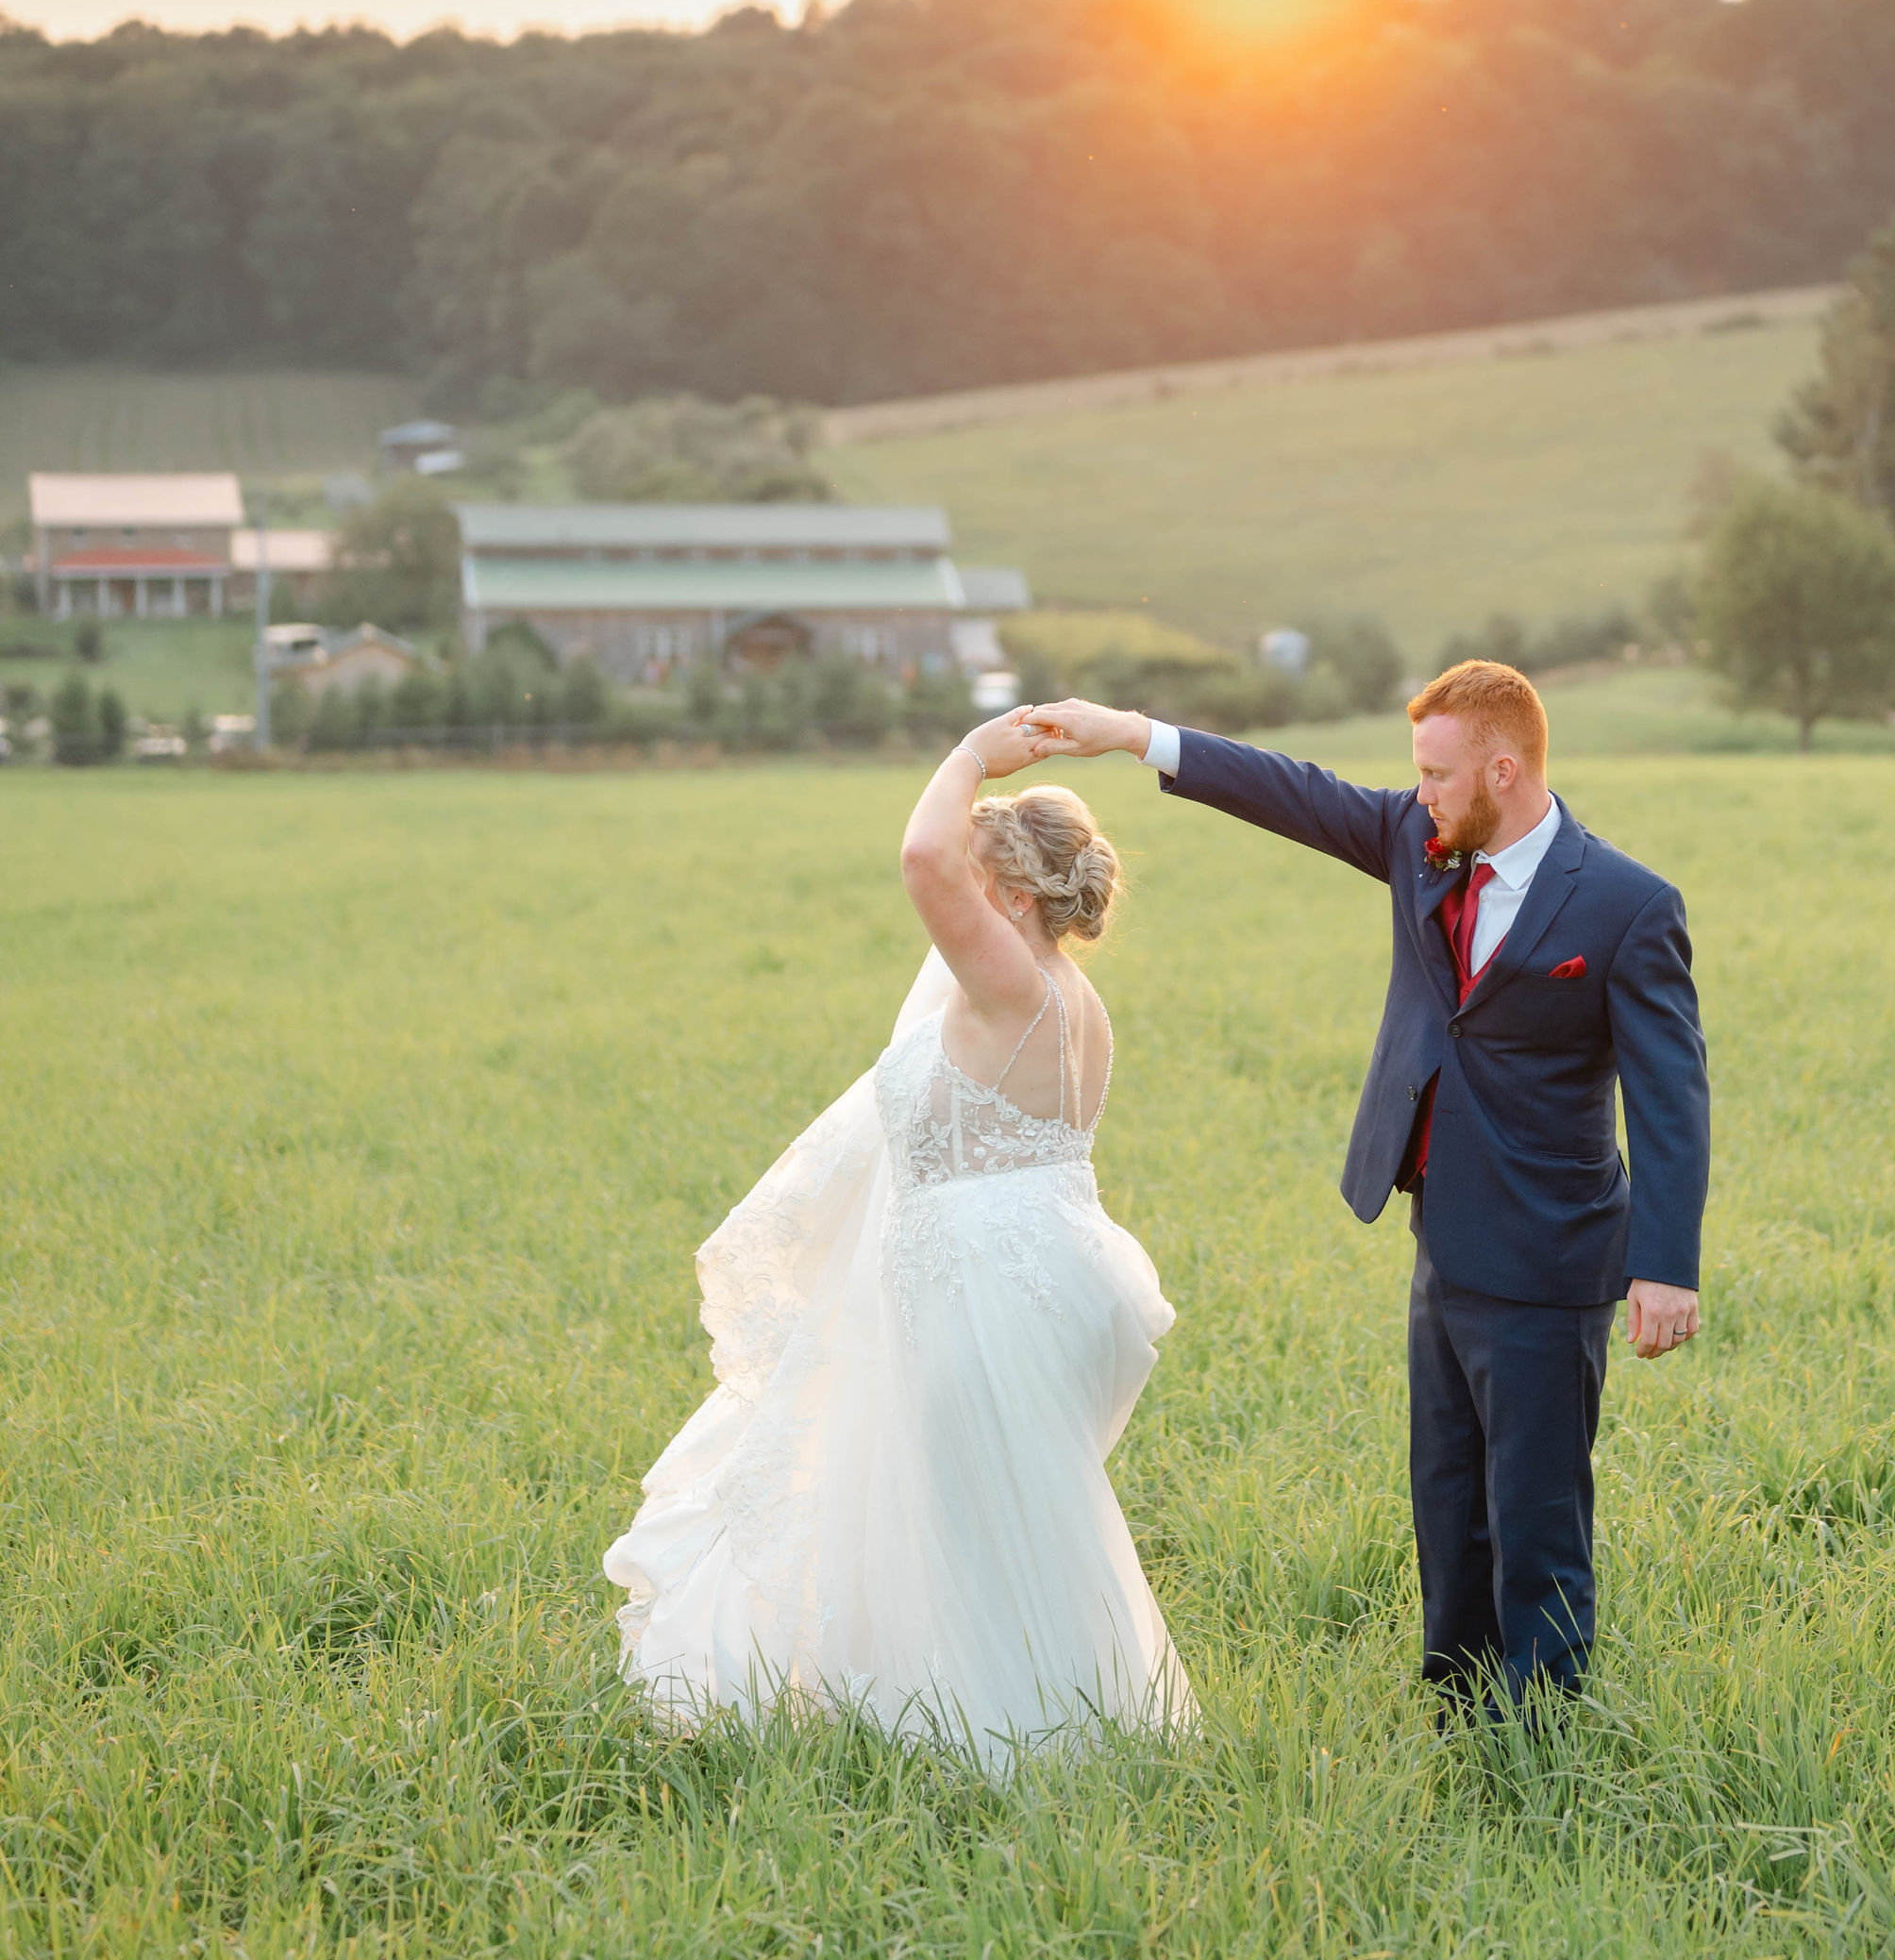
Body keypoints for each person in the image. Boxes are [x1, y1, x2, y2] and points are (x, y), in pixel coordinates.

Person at [1028, 661, 1707, 1714]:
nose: (1418, 794)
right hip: (1443, 1234)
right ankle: (1456, 1706)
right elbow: (1293, 791)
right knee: (1447, 1496)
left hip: (1551, 1252)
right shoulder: (1421, 842)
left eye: (1437, 774)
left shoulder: (1626, 905)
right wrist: (1130, 733)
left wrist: (1664, 1268)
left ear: (1503, 770)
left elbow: (1672, 1099)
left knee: (1535, 1514)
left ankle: (1540, 1735)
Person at [603, 712, 1194, 1764]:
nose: (955, 897)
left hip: (982, 1280)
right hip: (1036, 1263)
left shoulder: (1011, 982)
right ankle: (1055, 1717)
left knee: (972, 1513)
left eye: (978, 880)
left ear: (1016, 898)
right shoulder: (1074, 1000)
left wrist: (972, 754)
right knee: (1002, 1510)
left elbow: (922, 857)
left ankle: (1012, 1742)